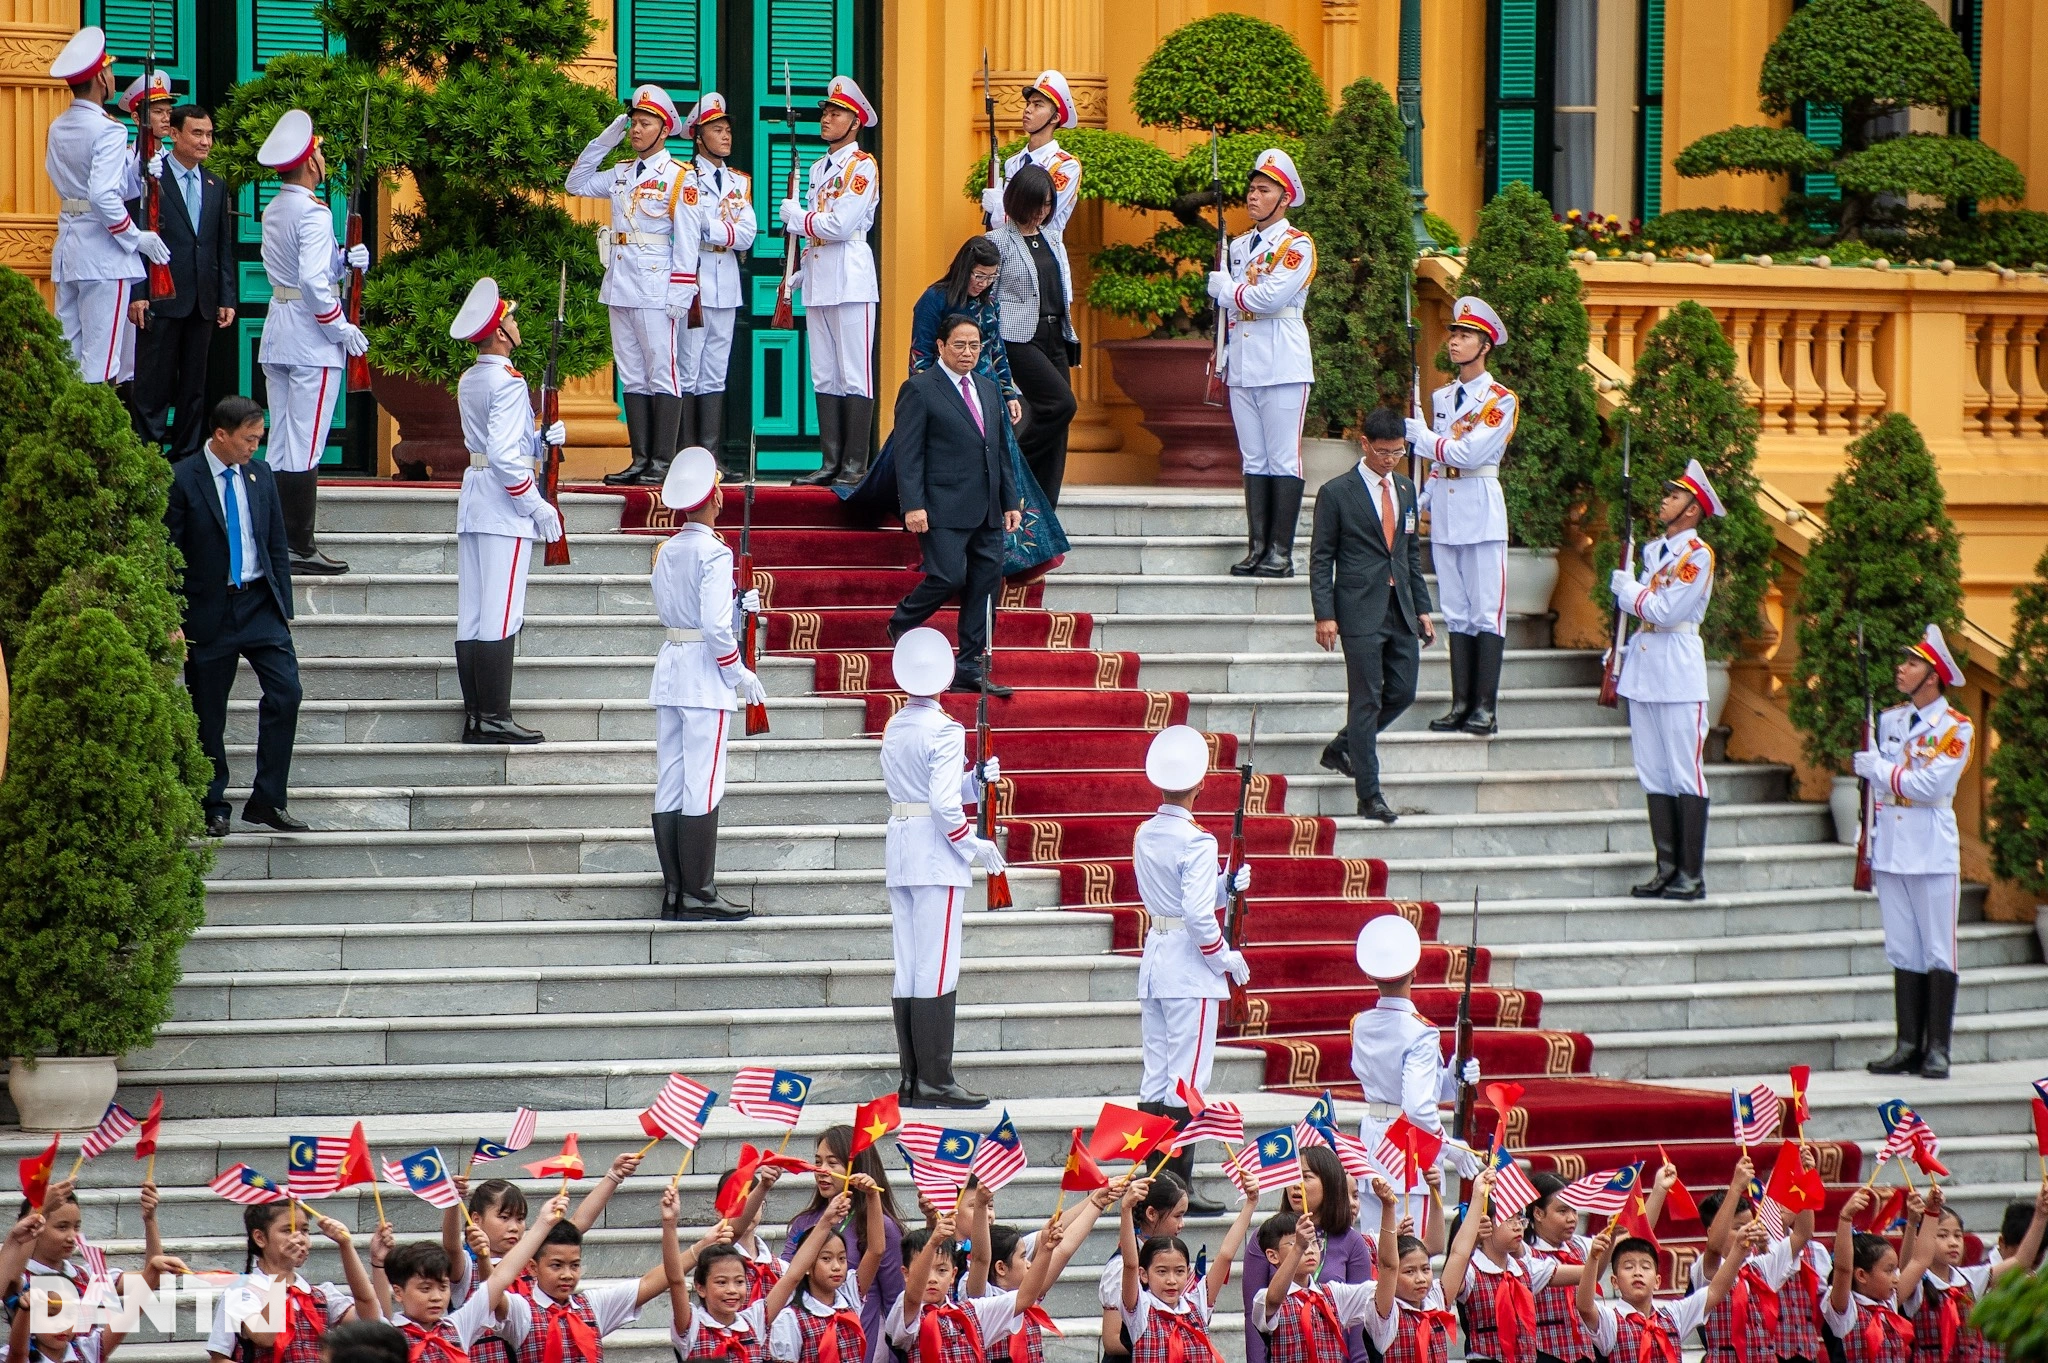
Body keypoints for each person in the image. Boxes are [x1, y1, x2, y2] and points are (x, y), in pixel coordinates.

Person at [843, 240, 1065, 581]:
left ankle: (1015, 560)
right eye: (979, 275)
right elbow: (920, 354)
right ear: (964, 268)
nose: (984, 283)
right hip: (944, 400)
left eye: (991, 277)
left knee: (1004, 475)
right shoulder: (934, 299)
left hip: (985, 399)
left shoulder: (989, 304)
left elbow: (996, 352)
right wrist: (927, 398)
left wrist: (1008, 393)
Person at [166, 395, 307, 837]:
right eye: (249, 439)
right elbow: (167, 552)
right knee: (208, 713)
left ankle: (268, 800)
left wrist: (283, 604)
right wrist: (172, 614)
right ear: (221, 435)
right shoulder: (183, 478)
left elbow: (275, 541)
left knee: (287, 693)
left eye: (259, 439)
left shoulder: (259, 474)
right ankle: (212, 804)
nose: (255, 448)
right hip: (210, 611)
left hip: (260, 604)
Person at [880, 628, 1006, 1108]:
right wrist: (971, 845)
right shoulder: (947, 730)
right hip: (936, 852)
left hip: (903, 848)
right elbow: (942, 804)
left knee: (910, 965)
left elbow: (926, 790)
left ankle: (913, 1079)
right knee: (936, 967)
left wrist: (975, 779)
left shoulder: (897, 726)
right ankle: (935, 1079)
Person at [1134, 724, 1252, 1216]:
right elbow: (1199, 916)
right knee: (1187, 1082)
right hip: (1189, 965)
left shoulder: (1146, 830)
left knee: (1157, 1076)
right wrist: (1223, 956)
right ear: (1200, 785)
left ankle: (1153, 1187)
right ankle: (1176, 1194)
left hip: (1157, 957)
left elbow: (1181, 899)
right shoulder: (1198, 841)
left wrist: (1225, 884)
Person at [449, 277, 568, 747]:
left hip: (476, 496)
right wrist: (536, 505)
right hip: (503, 503)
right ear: (500, 331)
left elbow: (495, 445)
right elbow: (502, 454)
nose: (516, 324)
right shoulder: (509, 382)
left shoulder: (472, 377)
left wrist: (541, 441)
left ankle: (477, 715)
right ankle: (494, 717)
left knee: (474, 612)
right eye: (511, 318)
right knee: (500, 613)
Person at [647, 446, 764, 922]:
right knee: (704, 780)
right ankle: (700, 889)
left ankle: (675, 889)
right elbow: (715, 629)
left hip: (672, 664)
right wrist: (738, 672)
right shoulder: (715, 552)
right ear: (714, 497)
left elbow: (683, 611)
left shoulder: (666, 548)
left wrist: (740, 606)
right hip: (703, 672)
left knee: (671, 776)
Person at [1855, 622, 1974, 1079]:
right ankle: (1908, 1044)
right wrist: (1866, 831)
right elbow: (1877, 790)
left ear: (1934, 676)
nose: (1900, 669)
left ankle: (1938, 1048)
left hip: (1930, 845)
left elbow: (1931, 784)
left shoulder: (1954, 728)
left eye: (1911, 663)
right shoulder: (1890, 719)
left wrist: (1880, 771)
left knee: (1939, 949)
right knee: (1903, 948)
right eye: (1903, 661)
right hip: (1891, 846)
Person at [566, 85, 698, 488]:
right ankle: (640, 458)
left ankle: (663, 459)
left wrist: (682, 289)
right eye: (634, 123)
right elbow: (576, 183)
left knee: (663, 371)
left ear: (664, 130)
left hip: (659, 286)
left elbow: (688, 239)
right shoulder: (622, 172)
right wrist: (605, 138)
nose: (637, 130)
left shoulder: (679, 177)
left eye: (645, 124)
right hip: (621, 283)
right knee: (633, 374)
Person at [885, 314, 1023, 693]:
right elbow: (908, 453)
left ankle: (971, 666)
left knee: (985, 585)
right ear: (941, 346)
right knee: (949, 575)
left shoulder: (987, 388)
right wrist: (913, 504)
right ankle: (902, 620)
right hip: (941, 505)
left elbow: (999, 451)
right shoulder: (920, 389)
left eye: (975, 346)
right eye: (959, 345)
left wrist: (1010, 499)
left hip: (988, 507)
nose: (968, 352)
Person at [1310, 407, 1436, 823]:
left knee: (1403, 692)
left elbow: (1409, 556)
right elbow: (1320, 558)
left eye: (1398, 452)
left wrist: (1423, 608)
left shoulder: (1404, 489)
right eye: (1383, 452)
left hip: (1400, 609)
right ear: (1365, 445)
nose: (1390, 460)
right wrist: (1325, 614)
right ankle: (1370, 794)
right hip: (1358, 611)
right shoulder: (1336, 492)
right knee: (1365, 701)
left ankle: (1342, 746)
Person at [255, 108, 367, 576]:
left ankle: (276, 539)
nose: (324, 159)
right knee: (306, 442)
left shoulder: (276, 207)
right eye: (319, 152)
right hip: (310, 338)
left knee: (281, 440)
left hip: (278, 331)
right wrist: (340, 327)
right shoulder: (315, 213)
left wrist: (343, 260)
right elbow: (314, 284)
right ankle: (299, 546)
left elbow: (306, 272)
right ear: (310, 163)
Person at [1609, 457, 1723, 902]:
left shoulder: (1697, 557)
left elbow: (1666, 610)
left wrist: (1631, 591)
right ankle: (1667, 867)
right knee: (1653, 771)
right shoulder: (1655, 551)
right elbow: (1644, 613)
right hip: (1645, 666)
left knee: (1684, 772)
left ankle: (1691, 874)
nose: (1664, 500)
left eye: (1674, 496)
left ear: (1692, 510)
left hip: (1677, 669)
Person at [1409, 296, 1516, 735]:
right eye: (1453, 334)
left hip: (1480, 505)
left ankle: (1484, 708)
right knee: (1456, 610)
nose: (1454, 342)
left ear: (1485, 346)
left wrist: (1424, 440)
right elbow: (1440, 463)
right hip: (1449, 508)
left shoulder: (1499, 400)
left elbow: (1471, 451)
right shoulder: (1442, 396)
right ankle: (1461, 704)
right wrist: (1421, 500)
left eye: (1465, 336)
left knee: (1486, 610)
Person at [1207, 148, 1316, 580]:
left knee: (1283, 458)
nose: (1253, 197)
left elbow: (1271, 298)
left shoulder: (1297, 245)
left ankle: (1281, 552)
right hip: (1245, 362)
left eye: (1263, 190)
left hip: (1283, 361)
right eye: (1251, 189)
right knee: (1254, 458)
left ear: (1284, 197)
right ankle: (1257, 548)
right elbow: (1235, 312)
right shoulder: (1237, 246)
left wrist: (1227, 291)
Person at [43, 27, 169, 387]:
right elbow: (102, 195)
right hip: (103, 253)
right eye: (110, 70)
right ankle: (92, 440)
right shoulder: (109, 130)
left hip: (70, 248)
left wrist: (137, 169)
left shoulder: (58, 126)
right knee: (102, 361)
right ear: (101, 77)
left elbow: (83, 185)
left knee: (68, 354)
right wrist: (135, 238)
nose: (112, 77)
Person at [1350, 914, 1481, 1229]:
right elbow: (1418, 1107)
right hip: (1409, 1148)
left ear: (1371, 976)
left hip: (1373, 1143)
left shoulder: (1361, 1024)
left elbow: (1412, 1092)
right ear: (1415, 973)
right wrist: (1450, 1149)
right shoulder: (1420, 1032)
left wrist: (1452, 1074)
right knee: (1412, 1259)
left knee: (1378, 1253)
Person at [783, 76, 881, 489]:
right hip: (822, 274)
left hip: (851, 276)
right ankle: (830, 461)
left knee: (854, 373)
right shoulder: (820, 165)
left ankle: (855, 464)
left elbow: (840, 224)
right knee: (825, 373)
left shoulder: (862, 167)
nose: (826, 118)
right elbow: (822, 232)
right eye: (825, 112)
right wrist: (801, 269)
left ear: (855, 122)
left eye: (835, 113)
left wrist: (798, 218)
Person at [125, 100, 236, 462]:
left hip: (202, 299)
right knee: (153, 384)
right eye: (197, 133)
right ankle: (147, 455)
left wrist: (227, 297)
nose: (205, 142)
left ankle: (188, 456)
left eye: (209, 135)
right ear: (174, 134)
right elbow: (136, 239)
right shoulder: (150, 176)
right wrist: (138, 293)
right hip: (161, 296)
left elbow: (220, 245)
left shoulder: (216, 184)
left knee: (194, 386)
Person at [1252, 1173, 1447, 1363]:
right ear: (1272, 1255)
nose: (1309, 1249)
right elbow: (1274, 1299)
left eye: (1314, 1243)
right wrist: (1298, 1248)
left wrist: (1388, 1207)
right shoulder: (1263, 1298)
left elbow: (1388, 1270)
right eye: (1296, 1244)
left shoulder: (1333, 1294)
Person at [987, 166, 1077, 507]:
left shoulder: (1053, 238)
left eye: (1048, 204)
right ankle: (1009, 468)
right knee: (1061, 404)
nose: (1042, 211)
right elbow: (985, 294)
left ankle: (1042, 508)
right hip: (1017, 336)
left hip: (1056, 334)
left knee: (1057, 421)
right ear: (1019, 200)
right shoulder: (997, 241)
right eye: (1037, 203)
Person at [675, 92, 756, 471]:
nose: (726, 136)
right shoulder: (684, 178)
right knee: (688, 366)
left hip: (726, 283)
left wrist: (712, 229)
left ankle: (709, 457)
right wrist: (724, 230)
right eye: (716, 129)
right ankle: (685, 455)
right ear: (697, 135)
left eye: (727, 129)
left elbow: (749, 234)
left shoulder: (739, 182)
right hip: (693, 282)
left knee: (714, 370)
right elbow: (687, 229)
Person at [1241, 1146, 1378, 1363]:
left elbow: (1360, 1323)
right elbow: (1253, 1315)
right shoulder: (1265, 1236)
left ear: (1330, 1183)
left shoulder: (1352, 1242)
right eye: (1292, 1176)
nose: (1296, 1184)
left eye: (1306, 1177)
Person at [783, 1125, 907, 1359]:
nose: (822, 1171)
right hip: (808, 1345)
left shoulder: (882, 1227)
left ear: (857, 1168)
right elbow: (785, 1277)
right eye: (818, 1162)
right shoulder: (803, 1223)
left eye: (833, 1163)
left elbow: (895, 1302)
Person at [206, 1200, 380, 1363]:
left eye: (304, 1230)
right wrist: (281, 1270)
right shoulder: (242, 1291)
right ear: (260, 1238)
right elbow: (263, 1337)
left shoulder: (319, 1295)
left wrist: (345, 1245)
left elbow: (369, 1315)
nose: (299, 1238)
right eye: (287, 1230)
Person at [1117, 1166, 1259, 1363]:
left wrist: (1250, 1204)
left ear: (1188, 1273)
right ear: (1144, 1274)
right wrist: (1126, 1209)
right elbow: (1130, 1264)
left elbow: (1225, 1255)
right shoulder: (1141, 1309)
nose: (1171, 1280)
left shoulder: (1196, 1303)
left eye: (1179, 1271)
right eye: (1161, 1271)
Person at [882, 1210, 1065, 1363]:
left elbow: (1024, 1298)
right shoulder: (906, 1315)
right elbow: (913, 1296)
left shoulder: (971, 1312)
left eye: (942, 1270)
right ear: (906, 1274)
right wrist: (932, 1244)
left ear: (954, 1275)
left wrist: (1045, 1251)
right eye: (925, 1270)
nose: (932, 1279)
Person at [1572, 1223, 1759, 1363]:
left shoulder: (1672, 1315)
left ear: (1658, 1281)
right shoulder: (1611, 1321)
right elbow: (1585, 1306)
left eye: (1646, 1267)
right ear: (1615, 1282)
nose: (1638, 1272)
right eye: (1628, 1267)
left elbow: (1714, 1291)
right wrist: (1594, 1258)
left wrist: (1738, 1250)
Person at [1823, 1188, 1937, 1363]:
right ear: (1861, 1275)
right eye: (1888, 1270)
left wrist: (1931, 1213)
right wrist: (1846, 1218)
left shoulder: (1888, 1303)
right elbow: (1843, 1269)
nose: (1896, 1278)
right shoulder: (1845, 1309)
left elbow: (1920, 1260)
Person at [979, 70, 1083, 239]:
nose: (1028, 110)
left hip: (1044, 256)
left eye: (1038, 105)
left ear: (1055, 117)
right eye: (1028, 103)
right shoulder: (1013, 162)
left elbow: (1037, 217)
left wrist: (998, 207)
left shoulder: (1064, 166)